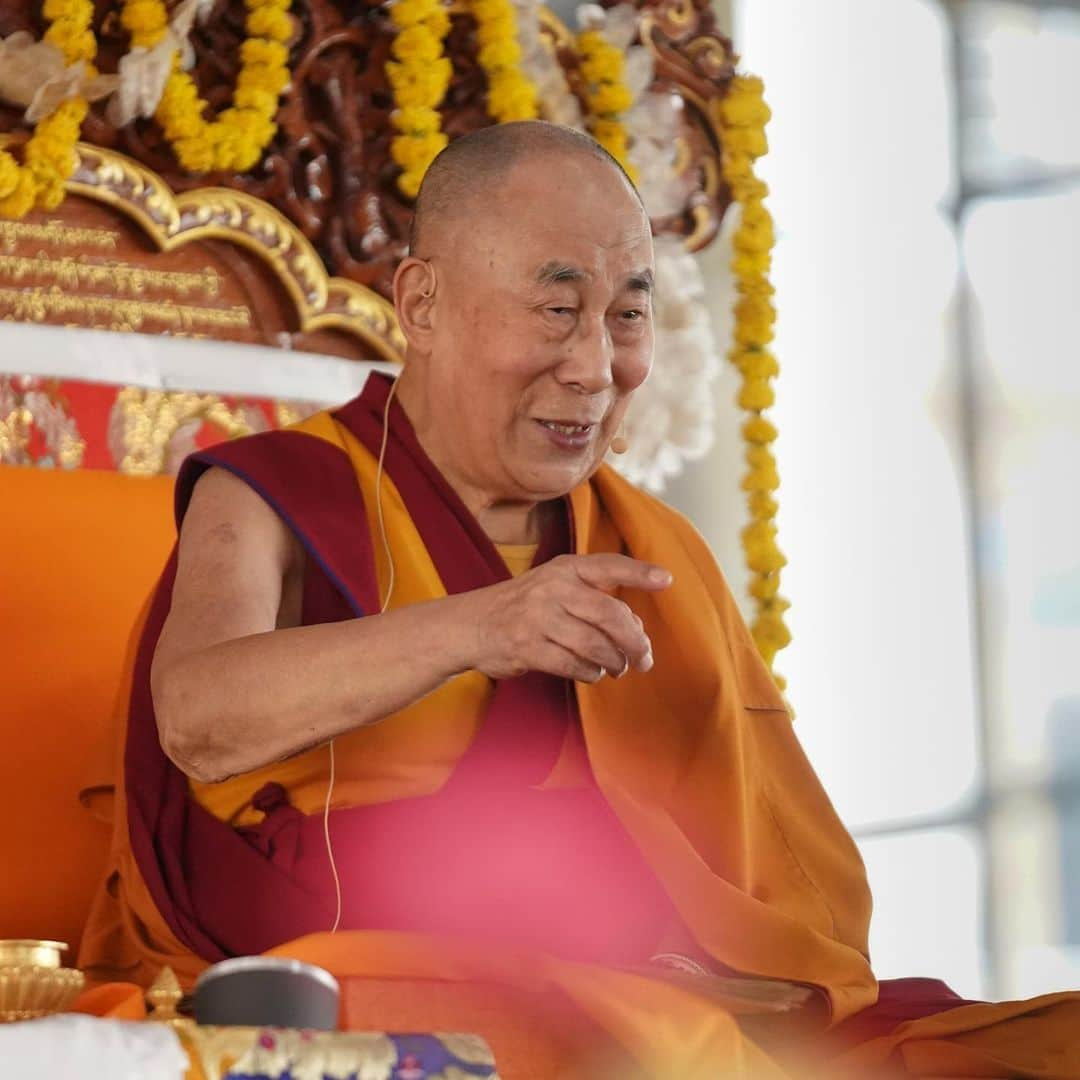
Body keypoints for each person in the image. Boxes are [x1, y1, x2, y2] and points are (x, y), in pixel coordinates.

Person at [80, 122, 1080, 1077]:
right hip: (372, 957)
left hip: (642, 975)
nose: (598, 367)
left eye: (628, 314)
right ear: (421, 303)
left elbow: (766, 869)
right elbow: (198, 719)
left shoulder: (645, 543)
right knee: (644, 1041)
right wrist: (479, 626)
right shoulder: (275, 491)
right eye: (557, 310)